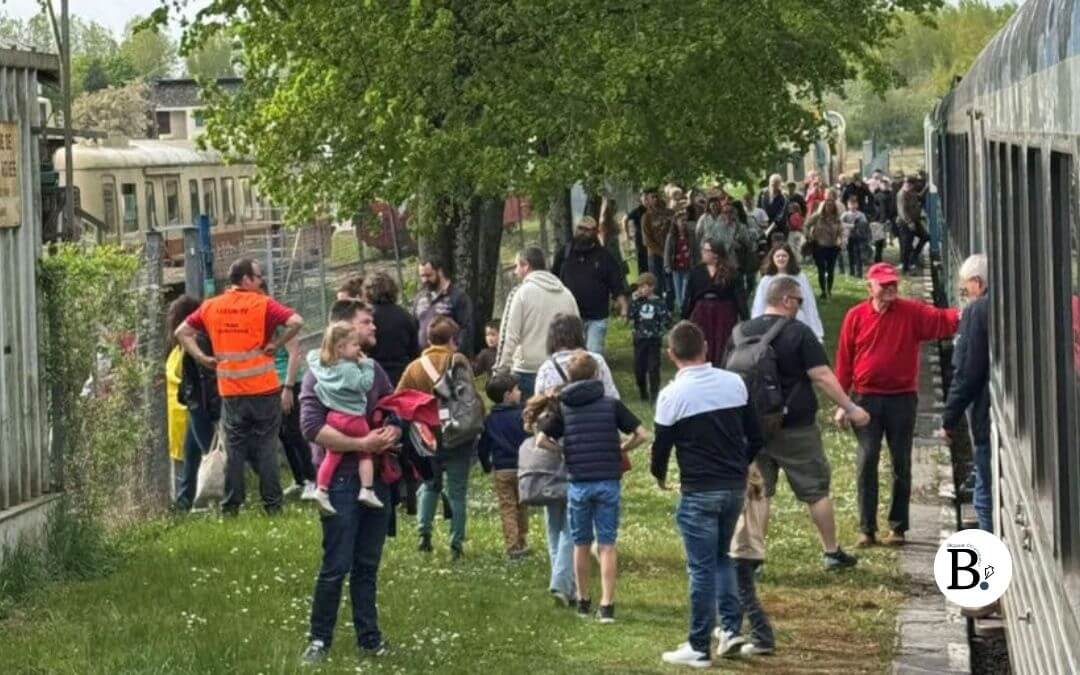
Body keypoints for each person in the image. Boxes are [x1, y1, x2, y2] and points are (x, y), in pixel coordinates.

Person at [735, 276, 867, 568]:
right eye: (798, 300)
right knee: (816, 490)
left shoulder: (741, 332)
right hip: (795, 426)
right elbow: (821, 376)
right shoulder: (799, 333)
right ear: (786, 300)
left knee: (758, 491)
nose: (799, 306)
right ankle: (831, 551)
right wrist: (849, 407)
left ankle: (752, 557)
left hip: (753, 427)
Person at [655, 321, 764, 667]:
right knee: (722, 559)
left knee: (701, 568)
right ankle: (730, 630)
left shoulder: (672, 395)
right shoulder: (734, 383)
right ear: (706, 347)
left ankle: (699, 645)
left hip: (699, 490)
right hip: (733, 487)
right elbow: (757, 435)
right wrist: (740, 463)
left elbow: (661, 450)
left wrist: (659, 476)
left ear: (672, 355)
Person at [299, 299, 400, 664]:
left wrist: (393, 429)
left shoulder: (373, 371)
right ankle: (319, 640)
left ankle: (369, 638)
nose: (373, 327)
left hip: (375, 478)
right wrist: (362, 443)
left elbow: (393, 407)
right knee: (336, 564)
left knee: (367, 566)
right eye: (365, 322)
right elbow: (311, 427)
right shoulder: (318, 374)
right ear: (343, 331)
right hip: (339, 482)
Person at [835, 263, 960, 547]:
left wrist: (971, 311)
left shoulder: (911, 312)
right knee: (867, 460)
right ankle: (867, 528)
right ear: (871, 287)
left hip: (901, 398)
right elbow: (844, 361)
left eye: (893, 283)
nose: (890, 288)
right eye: (884, 284)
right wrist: (842, 401)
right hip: (865, 398)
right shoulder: (855, 317)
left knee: (901, 461)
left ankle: (898, 527)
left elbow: (943, 319)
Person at [175, 258, 304, 515]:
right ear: (246, 279)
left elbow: (182, 331)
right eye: (258, 277)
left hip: (231, 390)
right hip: (264, 389)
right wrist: (277, 345)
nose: (261, 281)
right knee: (266, 447)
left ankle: (232, 504)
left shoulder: (212, 306)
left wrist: (201, 357)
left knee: (234, 447)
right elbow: (296, 322)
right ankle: (272, 505)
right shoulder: (263, 304)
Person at [536, 351, 649, 624]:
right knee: (607, 544)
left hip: (578, 482)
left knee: (580, 543)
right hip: (608, 480)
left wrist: (562, 449)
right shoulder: (610, 405)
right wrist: (623, 447)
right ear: (597, 375)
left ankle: (584, 600)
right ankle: (607, 605)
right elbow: (642, 434)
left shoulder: (564, 406)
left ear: (571, 378)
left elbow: (541, 440)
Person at [531, 314, 619, 606]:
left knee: (554, 515)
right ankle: (561, 581)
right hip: (591, 445)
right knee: (575, 521)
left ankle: (563, 579)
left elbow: (539, 411)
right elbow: (612, 398)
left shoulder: (546, 367)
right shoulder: (595, 361)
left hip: (555, 443)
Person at [397, 316, 481, 559]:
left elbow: (399, 397)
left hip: (427, 437)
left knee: (430, 484)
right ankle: (456, 543)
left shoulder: (415, 366)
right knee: (456, 491)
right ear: (453, 339)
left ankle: (423, 535)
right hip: (457, 434)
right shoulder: (457, 360)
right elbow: (469, 397)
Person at [305, 321, 382, 512]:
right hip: (354, 419)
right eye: (355, 345)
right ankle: (367, 489)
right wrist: (367, 365)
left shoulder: (322, 366)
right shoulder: (349, 368)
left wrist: (325, 350)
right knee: (365, 453)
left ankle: (321, 489)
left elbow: (312, 355)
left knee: (332, 455)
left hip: (334, 418)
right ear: (340, 347)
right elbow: (364, 384)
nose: (359, 348)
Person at [940, 255, 991, 532]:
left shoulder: (977, 311)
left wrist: (949, 419)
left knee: (984, 496)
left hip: (988, 413)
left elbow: (967, 373)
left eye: (966, 287)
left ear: (977, 282)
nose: (965, 293)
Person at [494, 247, 580, 397]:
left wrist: (500, 370)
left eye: (517, 266)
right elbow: (578, 332)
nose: (515, 272)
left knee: (530, 417)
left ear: (526, 265)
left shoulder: (520, 293)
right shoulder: (566, 293)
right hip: (563, 368)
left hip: (528, 370)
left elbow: (509, 335)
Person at [552, 216, 629, 354]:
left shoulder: (604, 256)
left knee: (593, 355)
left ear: (595, 232)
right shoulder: (564, 254)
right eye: (580, 228)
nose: (583, 232)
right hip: (571, 316)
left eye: (588, 230)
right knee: (572, 357)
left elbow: (616, 284)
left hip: (597, 316)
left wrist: (623, 307)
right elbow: (552, 280)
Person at [168, 295, 216, 510]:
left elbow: (201, 377)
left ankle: (219, 495)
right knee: (192, 455)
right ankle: (185, 500)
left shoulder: (196, 342)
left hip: (197, 405)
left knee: (210, 454)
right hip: (188, 407)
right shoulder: (180, 347)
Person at [477, 373, 531, 558]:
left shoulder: (490, 419)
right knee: (522, 505)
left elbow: (483, 446)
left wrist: (486, 464)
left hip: (502, 468)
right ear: (508, 395)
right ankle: (523, 539)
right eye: (516, 390)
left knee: (507, 506)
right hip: (522, 467)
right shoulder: (522, 415)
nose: (520, 392)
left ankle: (512, 544)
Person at [727, 463, 774, 657]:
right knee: (739, 594)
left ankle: (763, 638)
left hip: (742, 550)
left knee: (746, 596)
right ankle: (731, 630)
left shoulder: (742, 491)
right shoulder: (759, 490)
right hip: (754, 549)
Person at [682, 238, 747, 366]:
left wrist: (745, 317)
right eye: (703, 250)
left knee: (722, 343)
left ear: (716, 253)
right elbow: (690, 296)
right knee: (703, 341)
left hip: (724, 312)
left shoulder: (732, 272)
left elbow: (739, 297)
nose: (703, 253)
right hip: (702, 311)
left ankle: (721, 368)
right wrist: (684, 316)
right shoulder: (696, 271)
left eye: (706, 250)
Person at [750, 243, 824, 341]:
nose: (781, 258)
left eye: (784, 256)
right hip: (773, 322)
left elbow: (809, 303)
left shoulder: (800, 277)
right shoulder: (766, 280)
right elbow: (759, 304)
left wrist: (816, 331)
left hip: (796, 319)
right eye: (778, 256)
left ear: (790, 258)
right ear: (773, 258)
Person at [362, 272, 420, 387]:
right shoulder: (405, 316)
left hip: (375, 375)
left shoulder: (366, 318)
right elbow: (415, 351)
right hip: (403, 375)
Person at [277, 331, 316, 500]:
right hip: (270, 383)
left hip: (288, 384)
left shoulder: (282, 324)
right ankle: (299, 479)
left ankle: (312, 478)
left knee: (294, 432)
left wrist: (288, 387)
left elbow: (295, 354)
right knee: (282, 434)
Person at [413, 257, 474, 356]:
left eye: (428, 275)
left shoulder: (458, 297)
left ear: (439, 272)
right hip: (425, 359)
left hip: (449, 358)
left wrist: (456, 354)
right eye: (422, 276)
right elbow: (414, 327)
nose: (425, 280)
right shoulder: (420, 298)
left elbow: (466, 330)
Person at [629, 273, 672, 403]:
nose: (641, 290)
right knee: (639, 368)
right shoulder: (637, 302)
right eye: (639, 287)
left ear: (652, 287)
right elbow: (631, 316)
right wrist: (633, 300)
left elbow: (666, 320)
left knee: (653, 367)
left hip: (653, 339)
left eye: (644, 287)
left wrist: (663, 330)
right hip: (640, 339)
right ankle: (642, 390)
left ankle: (654, 393)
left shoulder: (659, 303)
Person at [807, 197, 844, 301]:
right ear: (823, 206)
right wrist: (808, 236)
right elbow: (806, 225)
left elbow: (841, 231)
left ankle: (829, 290)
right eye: (827, 205)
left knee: (831, 270)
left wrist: (841, 240)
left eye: (831, 205)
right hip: (819, 246)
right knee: (821, 269)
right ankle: (823, 291)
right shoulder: (817, 217)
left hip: (833, 246)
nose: (829, 207)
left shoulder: (837, 218)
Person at [642, 193, 672, 303]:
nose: (656, 199)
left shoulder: (670, 213)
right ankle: (657, 305)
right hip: (654, 255)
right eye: (653, 197)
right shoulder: (646, 217)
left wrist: (668, 252)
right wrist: (662, 253)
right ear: (648, 201)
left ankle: (670, 306)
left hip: (670, 253)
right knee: (656, 282)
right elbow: (647, 240)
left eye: (657, 196)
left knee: (670, 282)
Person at [665, 209, 698, 310]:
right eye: (681, 220)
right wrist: (667, 265)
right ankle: (681, 311)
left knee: (685, 291)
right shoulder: (671, 236)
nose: (684, 223)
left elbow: (695, 250)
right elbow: (667, 251)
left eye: (685, 220)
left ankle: (685, 309)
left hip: (688, 266)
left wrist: (697, 263)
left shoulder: (691, 234)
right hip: (676, 267)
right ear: (676, 222)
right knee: (678, 292)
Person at [897, 176, 929, 273]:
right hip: (905, 223)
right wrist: (909, 222)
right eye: (907, 184)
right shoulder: (902, 194)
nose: (908, 186)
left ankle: (913, 258)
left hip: (915, 220)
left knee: (925, 237)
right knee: (906, 245)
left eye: (910, 185)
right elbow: (902, 211)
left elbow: (919, 197)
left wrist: (926, 188)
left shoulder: (911, 192)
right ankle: (906, 267)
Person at [623, 189, 651, 275]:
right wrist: (627, 235)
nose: (647, 201)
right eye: (645, 199)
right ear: (641, 199)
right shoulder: (638, 211)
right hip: (641, 240)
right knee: (642, 263)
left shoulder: (653, 209)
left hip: (652, 240)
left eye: (648, 198)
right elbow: (625, 219)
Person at [841, 196, 871, 278]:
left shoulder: (861, 215)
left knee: (858, 255)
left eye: (854, 204)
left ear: (857, 205)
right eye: (851, 204)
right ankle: (851, 272)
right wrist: (851, 226)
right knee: (850, 255)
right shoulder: (845, 214)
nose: (853, 206)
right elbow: (840, 224)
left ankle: (859, 273)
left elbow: (865, 224)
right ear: (847, 205)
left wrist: (858, 226)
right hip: (849, 237)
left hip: (859, 237)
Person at [598, 195, 627, 276]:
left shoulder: (612, 220)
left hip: (616, 245)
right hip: (611, 246)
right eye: (614, 207)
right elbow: (604, 237)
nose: (615, 209)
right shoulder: (605, 221)